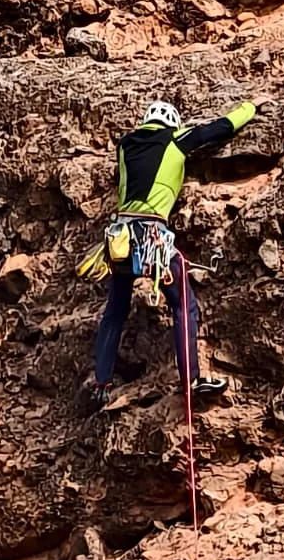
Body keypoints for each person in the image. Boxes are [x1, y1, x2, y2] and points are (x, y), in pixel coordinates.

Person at [92, 97, 260, 405]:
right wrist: (249, 108)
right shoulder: (176, 138)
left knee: (115, 311)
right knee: (184, 304)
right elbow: (219, 129)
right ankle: (192, 380)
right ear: (172, 122)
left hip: (120, 241)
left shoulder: (125, 145)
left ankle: (101, 383)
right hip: (153, 238)